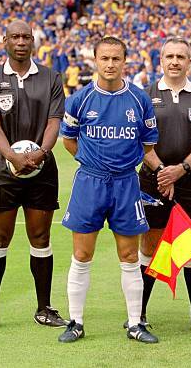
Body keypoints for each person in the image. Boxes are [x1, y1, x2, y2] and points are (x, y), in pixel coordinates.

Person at [57, 36, 159, 344]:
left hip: (127, 183)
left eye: (117, 59)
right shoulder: (79, 99)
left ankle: (134, 323)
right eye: (105, 58)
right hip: (90, 182)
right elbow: (69, 140)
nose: (111, 64)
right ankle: (75, 321)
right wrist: (93, 163)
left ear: (125, 62)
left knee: (129, 254)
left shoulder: (140, 99)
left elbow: (148, 143)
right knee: (82, 253)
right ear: (95, 61)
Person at [0, 20, 66, 330]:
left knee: (41, 237)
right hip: (3, 170)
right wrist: (13, 156)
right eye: (15, 36)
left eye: (26, 36)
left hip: (41, 168)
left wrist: (40, 153)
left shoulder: (52, 78)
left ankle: (44, 308)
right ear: (5, 41)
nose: (21, 41)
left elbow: (55, 123)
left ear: (34, 42)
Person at [137, 36, 191, 333]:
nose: (175, 61)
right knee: (149, 243)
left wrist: (181, 169)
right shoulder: (144, 95)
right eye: (169, 56)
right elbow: (139, 140)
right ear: (160, 60)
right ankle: (139, 312)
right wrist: (163, 171)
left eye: (180, 57)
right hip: (151, 181)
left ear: (189, 62)